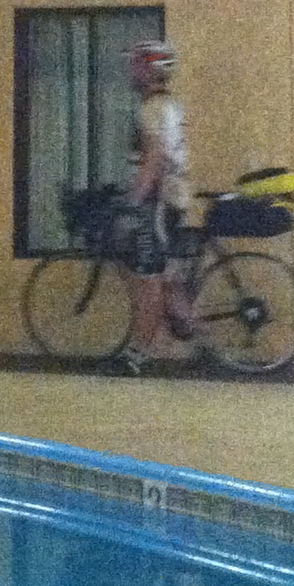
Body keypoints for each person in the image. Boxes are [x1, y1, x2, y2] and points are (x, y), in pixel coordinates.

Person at [117, 36, 202, 374]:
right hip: (174, 199)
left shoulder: (152, 109)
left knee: (149, 279)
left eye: (136, 65)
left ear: (149, 70)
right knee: (168, 279)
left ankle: (138, 355)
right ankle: (202, 341)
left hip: (158, 202)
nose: (131, 71)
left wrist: (134, 201)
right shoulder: (170, 105)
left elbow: (153, 160)